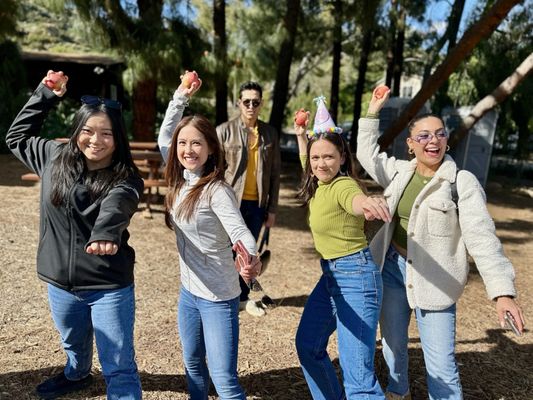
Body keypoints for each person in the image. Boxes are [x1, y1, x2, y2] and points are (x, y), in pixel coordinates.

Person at [356, 87, 525, 400]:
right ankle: (398, 392)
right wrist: (372, 111)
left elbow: (482, 237)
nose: (432, 141)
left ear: (446, 139)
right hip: (392, 272)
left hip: (437, 284)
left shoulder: (461, 182)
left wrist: (502, 292)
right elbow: (367, 154)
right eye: (422, 136)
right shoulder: (398, 173)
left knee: (441, 363)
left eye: (439, 134)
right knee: (392, 348)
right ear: (410, 145)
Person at [5, 71, 144, 400]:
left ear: (118, 138)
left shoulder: (126, 177)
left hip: (107, 284)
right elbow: (17, 137)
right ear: (77, 131)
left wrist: (106, 232)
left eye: (106, 133)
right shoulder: (54, 157)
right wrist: (45, 94)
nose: (96, 140)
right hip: (60, 282)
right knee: (73, 342)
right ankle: (77, 374)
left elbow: (118, 205)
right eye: (88, 131)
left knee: (119, 365)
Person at [158, 74, 261, 400]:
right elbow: (165, 135)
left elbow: (241, 231)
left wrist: (250, 259)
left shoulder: (216, 190)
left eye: (197, 143)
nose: (188, 149)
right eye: (183, 143)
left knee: (224, 379)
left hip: (218, 297)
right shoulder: (180, 177)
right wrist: (180, 97)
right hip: (189, 293)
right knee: (192, 365)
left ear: (210, 149)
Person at [293, 96, 391, 400]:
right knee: (308, 345)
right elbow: (305, 160)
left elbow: (355, 200)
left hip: (356, 278)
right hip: (332, 277)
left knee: (359, 379)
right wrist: (301, 134)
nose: (321, 163)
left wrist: (368, 204)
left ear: (343, 158)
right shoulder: (317, 182)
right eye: (316, 158)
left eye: (329, 157)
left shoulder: (342, 186)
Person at [216, 81, 281, 317]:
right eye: (246, 102)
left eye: (255, 102)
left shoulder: (270, 133)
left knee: (249, 252)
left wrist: (272, 209)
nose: (251, 106)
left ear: (261, 104)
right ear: (238, 103)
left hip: (257, 204)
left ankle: (243, 298)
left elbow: (275, 174)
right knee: (227, 250)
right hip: (230, 202)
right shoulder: (224, 131)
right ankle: (225, 295)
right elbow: (214, 170)